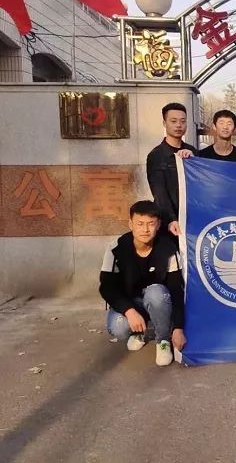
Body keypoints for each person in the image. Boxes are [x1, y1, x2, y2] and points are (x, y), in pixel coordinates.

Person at [98, 200, 186, 367]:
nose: (145, 229)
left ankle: (162, 340)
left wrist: (178, 328)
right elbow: (107, 287)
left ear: (158, 225)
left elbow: (176, 290)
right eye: (140, 224)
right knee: (118, 327)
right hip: (132, 302)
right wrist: (129, 311)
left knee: (156, 293)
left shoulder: (168, 249)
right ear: (130, 224)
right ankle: (138, 331)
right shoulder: (116, 248)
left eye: (151, 224)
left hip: (158, 301)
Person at [146, 103, 198, 237]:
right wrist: (171, 219)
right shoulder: (157, 155)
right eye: (173, 121)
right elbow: (159, 192)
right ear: (164, 123)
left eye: (182, 121)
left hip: (193, 218)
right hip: (170, 222)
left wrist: (194, 161)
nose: (178, 125)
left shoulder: (192, 151)